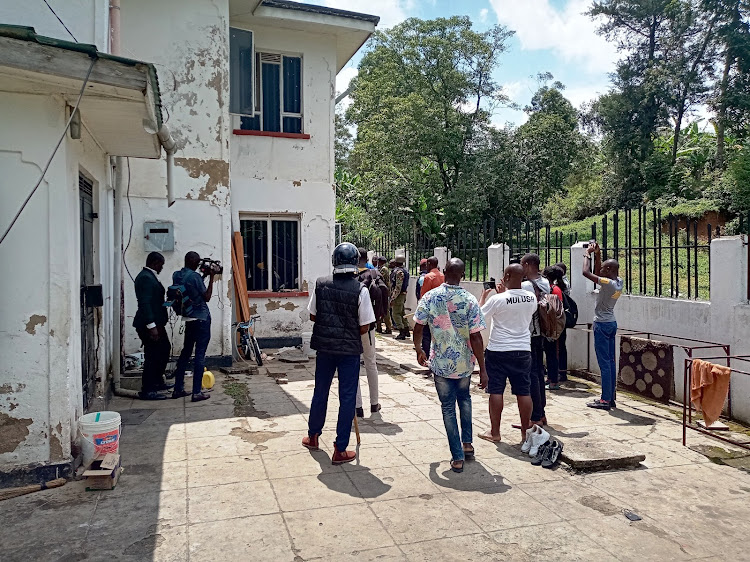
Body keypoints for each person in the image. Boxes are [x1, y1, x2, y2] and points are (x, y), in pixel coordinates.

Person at [303, 242, 375, 464]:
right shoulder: (360, 290)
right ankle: (340, 448)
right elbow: (365, 325)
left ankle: (313, 436)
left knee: (320, 391)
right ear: (355, 263)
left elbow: (313, 315)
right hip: (348, 351)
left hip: (325, 348)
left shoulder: (321, 284)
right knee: (347, 398)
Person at [413, 258, 487, 473]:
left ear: (444, 272)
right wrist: (483, 368)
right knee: (464, 399)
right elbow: (476, 338)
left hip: (441, 363)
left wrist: (419, 349)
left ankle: (457, 456)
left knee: (448, 407)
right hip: (464, 363)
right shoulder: (470, 300)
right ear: (463, 275)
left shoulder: (430, 296)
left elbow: (418, 327)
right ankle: (467, 443)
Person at [477, 264, 537, 444]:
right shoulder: (531, 297)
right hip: (523, 349)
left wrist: (485, 297)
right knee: (524, 392)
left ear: (508, 275)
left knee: (496, 390)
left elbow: (479, 316)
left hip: (499, 350)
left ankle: (495, 432)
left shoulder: (498, 300)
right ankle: (525, 433)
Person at [583, 242, 623, 410]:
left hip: (601, 325)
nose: (602, 270)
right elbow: (599, 272)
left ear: (610, 271)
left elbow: (586, 272)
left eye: (605, 268)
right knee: (611, 362)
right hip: (611, 323)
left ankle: (605, 400)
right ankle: (610, 396)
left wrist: (587, 254)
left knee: (604, 363)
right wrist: (598, 255)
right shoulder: (618, 281)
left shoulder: (608, 284)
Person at [171, 251, 215, 402]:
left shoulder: (177, 275)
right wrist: (212, 277)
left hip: (188, 318)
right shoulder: (195, 277)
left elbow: (191, 288)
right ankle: (197, 392)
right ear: (193, 262)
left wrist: (203, 276)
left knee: (185, 353)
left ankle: (178, 388)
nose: (198, 265)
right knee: (200, 355)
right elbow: (206, 297)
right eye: (197, 263)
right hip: (201, 319)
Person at [133, 252, 171, 400]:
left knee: (164, 350)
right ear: (155, 263)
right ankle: (148, 389)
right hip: (149, 324)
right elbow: (145, 303)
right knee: (152, 355)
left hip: (157, 322)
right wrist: (151, 326)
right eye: (161, 265)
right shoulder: (145, 278)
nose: (162, 268)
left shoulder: (149, 276)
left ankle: (157, 382)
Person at [521, 253, 550, 425]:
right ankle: (541, 413)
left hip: (529, 334)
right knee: (539, 372)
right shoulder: (545, 282)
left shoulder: (526, 286)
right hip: (541, 333)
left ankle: (535, 416)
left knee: (531, 375)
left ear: (527, 264)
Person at [356, 248, 383, 418]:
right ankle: (374, 403)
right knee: (370, 363)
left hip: (351, 328)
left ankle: (358, 407)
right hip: (369, 326)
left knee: (353, 365)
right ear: (367, 258)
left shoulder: (349, 274)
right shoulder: (373, 273)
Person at [542, 265, 567, 390]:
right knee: (549, 353)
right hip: (548, 326)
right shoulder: (553, 288)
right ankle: (550, 378)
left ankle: (554, 381)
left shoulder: (554, 289)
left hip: (552, 327)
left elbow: (555, 310)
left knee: (552, 354)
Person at [418, 256, 444, 368]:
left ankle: (426, 358)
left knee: (426, 335)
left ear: (429, 264)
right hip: (442, 311)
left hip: (431, 311)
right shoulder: (443, 276)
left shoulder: (429, 277)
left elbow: (424, 296)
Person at [390, 256, 410, 340]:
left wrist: (393, 298)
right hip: (403, 294)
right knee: (401, 313)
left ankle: (401, 331)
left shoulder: (399, 272)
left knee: (395, 314)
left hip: (398, 295)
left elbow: (398, 287)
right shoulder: (405, 270)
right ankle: (406, 329)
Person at [376, 256, 393, 334]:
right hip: (381, 291)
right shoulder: (381, 268)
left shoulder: (384, 269)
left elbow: (379, 278)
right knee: (379, 308)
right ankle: (379, 327)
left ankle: (388, 328)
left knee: (385, 310)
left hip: (384, 291)